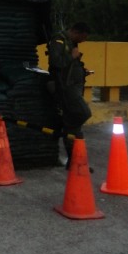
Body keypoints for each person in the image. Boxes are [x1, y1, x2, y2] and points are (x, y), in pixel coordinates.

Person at [47, 21, 92, 168]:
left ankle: (75, 161)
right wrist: (72, 57)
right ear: (76, 32)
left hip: (73, 87)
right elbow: (56, 62)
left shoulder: (71, 43)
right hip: (64, 87)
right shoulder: (59, 40)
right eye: (83, 37)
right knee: (82, 113)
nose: (83, 41)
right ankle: (69, 131)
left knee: (74, 125)